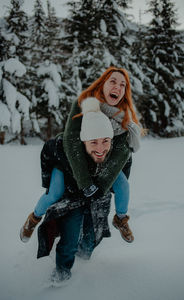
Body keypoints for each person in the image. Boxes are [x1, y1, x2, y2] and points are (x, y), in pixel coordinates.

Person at [20, 100, 128, 285]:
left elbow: (123, 185)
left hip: (92, 191)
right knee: (61, 211)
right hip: (66, 180)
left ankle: (115, 225)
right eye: (94, 142)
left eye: (105, 141)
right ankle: (34, 220)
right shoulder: (67, 151)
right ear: (83, 141)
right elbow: (54, 163)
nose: (101, 148)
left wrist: (121, 214)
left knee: (91, 236)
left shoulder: (112, 155)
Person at [63, 66, 141, 242]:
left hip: (106, 162)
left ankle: (120, 219)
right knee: (60, 197)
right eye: (113, 81)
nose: (118, 87)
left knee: (123, 186)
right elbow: (71, 140)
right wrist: (85, 182)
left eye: (123, 85)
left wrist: (103, 184)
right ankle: (40, 218)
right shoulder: (85, 103)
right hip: (81, 162)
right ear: (102, 84)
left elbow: (123, 150)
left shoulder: (123, 115)